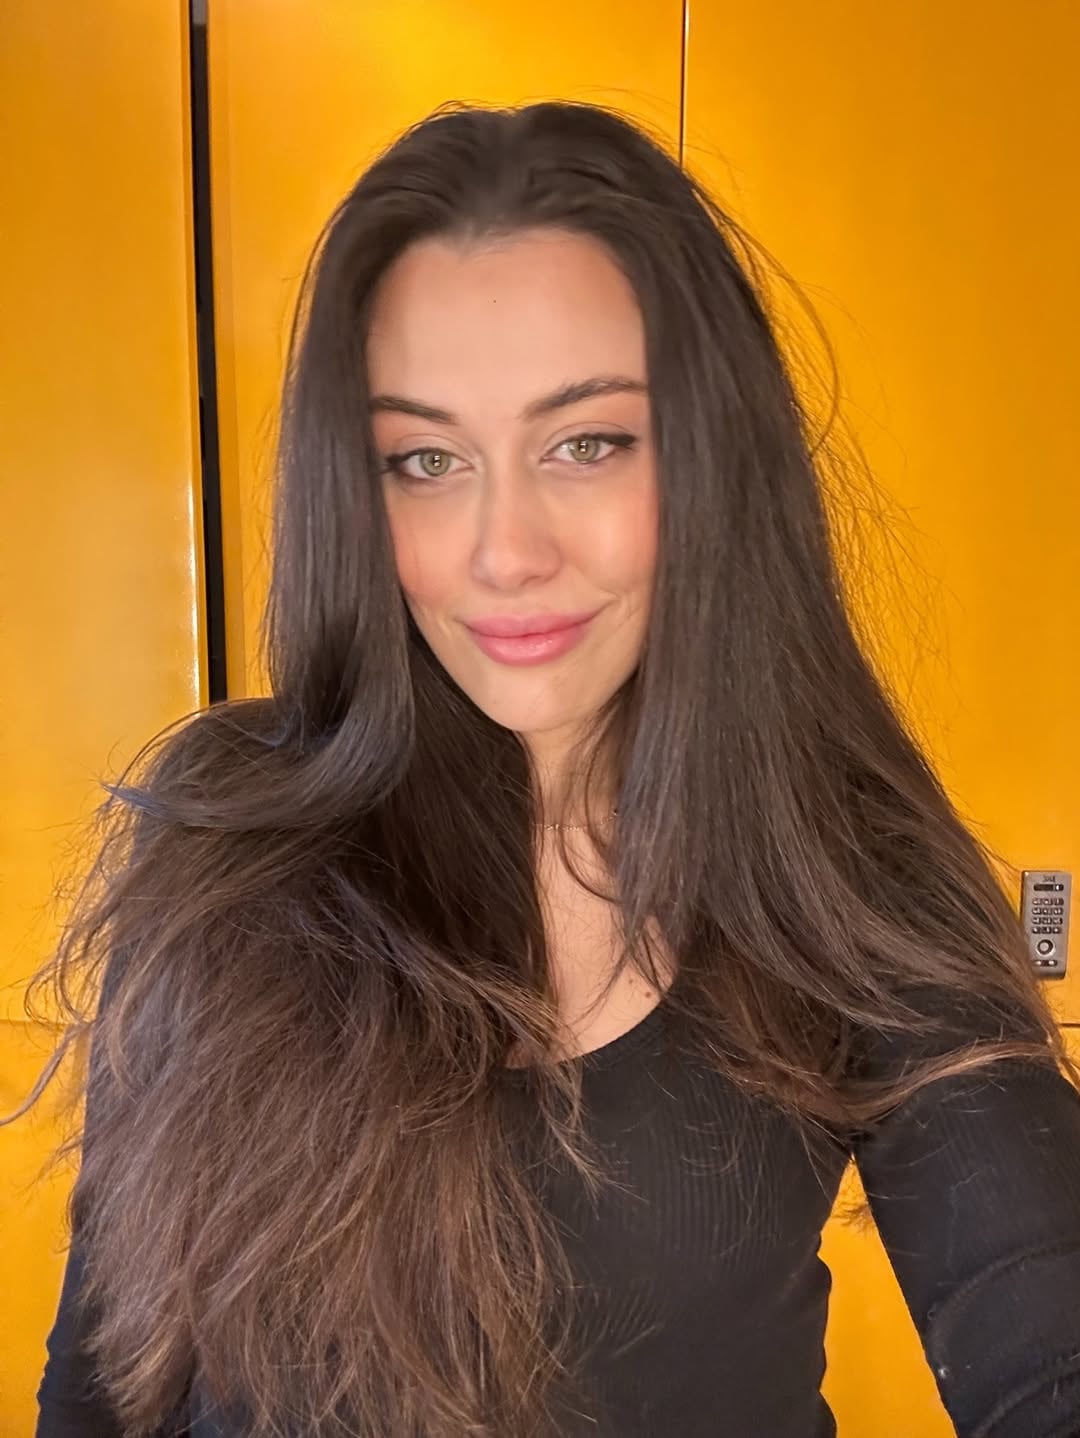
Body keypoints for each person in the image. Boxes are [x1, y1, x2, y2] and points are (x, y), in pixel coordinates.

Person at [15, 98, 1080, 1438]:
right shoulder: (224, 821)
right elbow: (107, 1379)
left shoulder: (841, 861)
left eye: (587, 443)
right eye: (426, 459)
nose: (505, 552)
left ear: (710, 458)